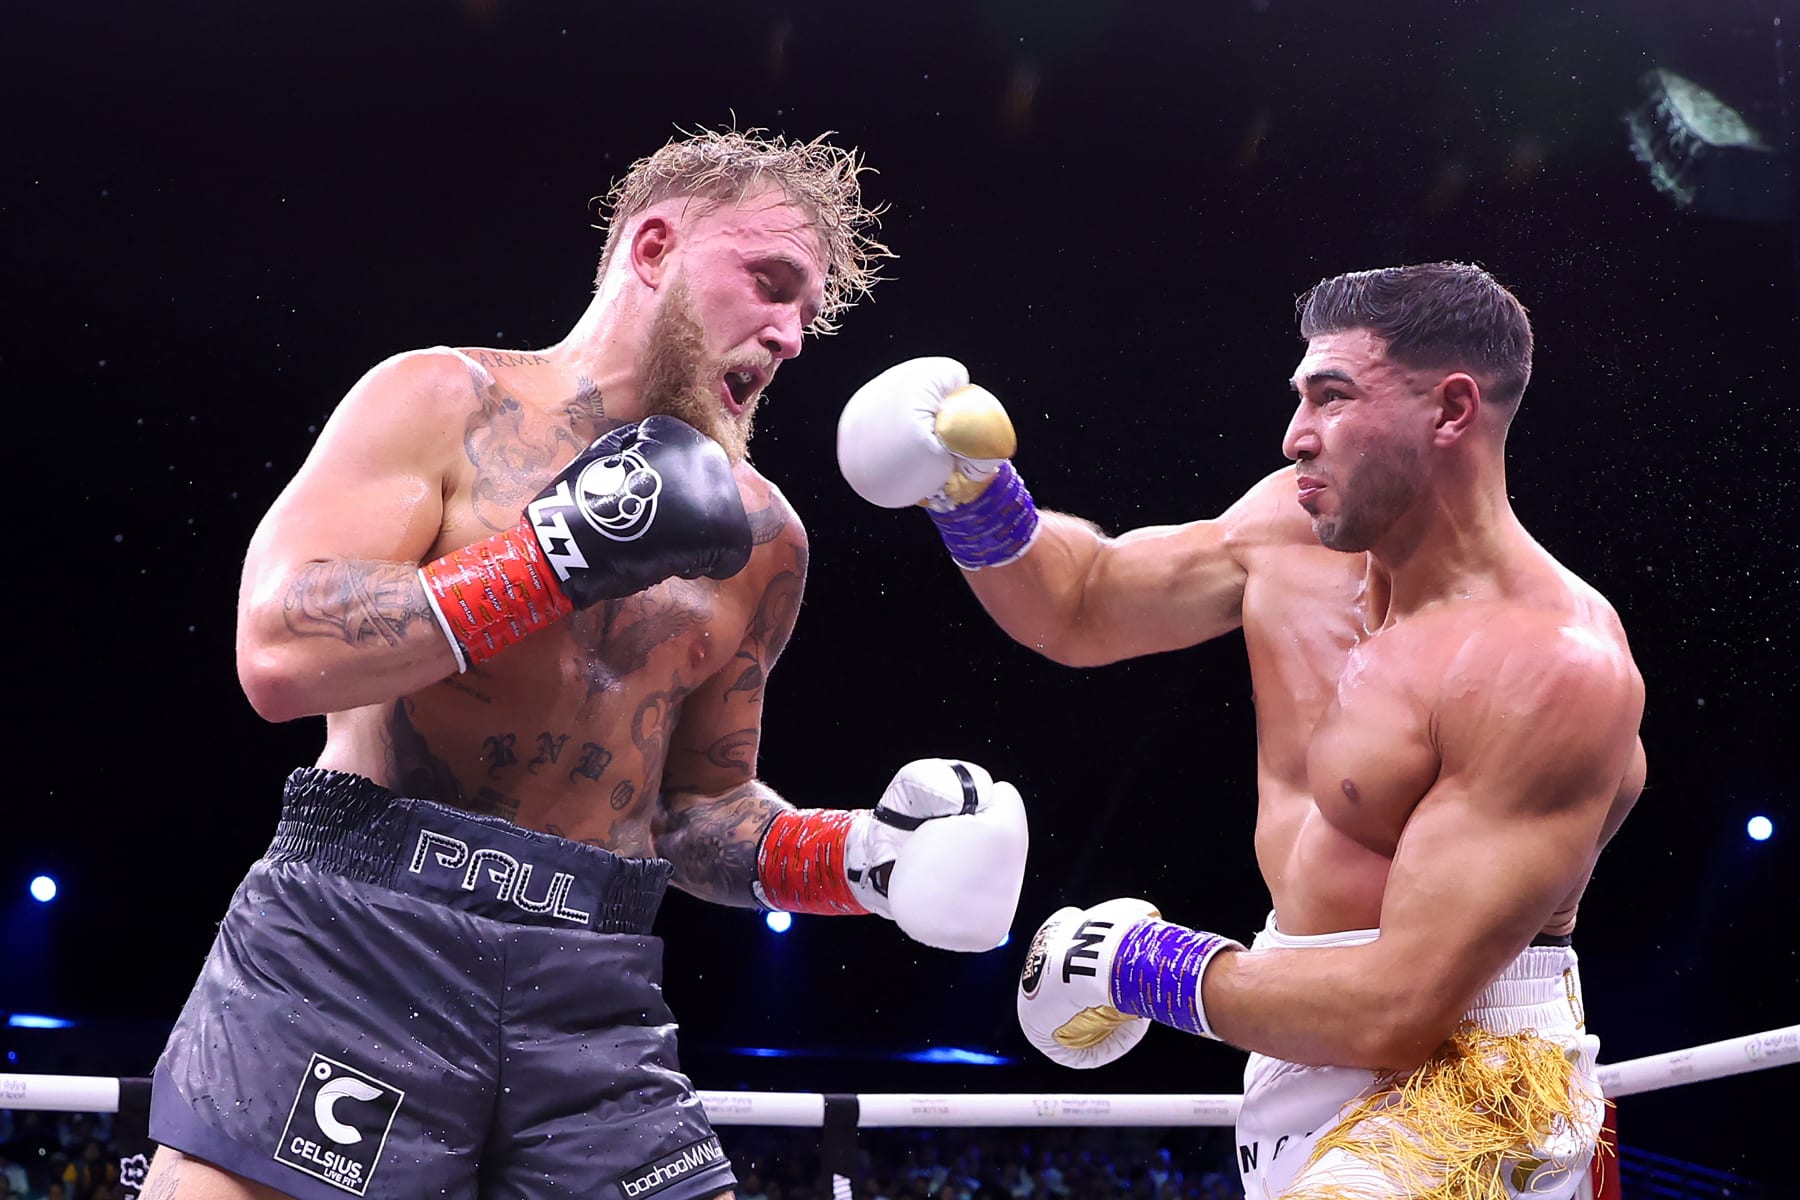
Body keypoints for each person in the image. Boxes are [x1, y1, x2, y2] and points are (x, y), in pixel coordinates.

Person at [144, 128, 1030, 1200]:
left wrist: (864, 862)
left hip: (590, 979)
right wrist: (554, 555)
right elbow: (278, 651)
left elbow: (698, 806)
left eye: (811, 312)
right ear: (653, 249)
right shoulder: (441, 399)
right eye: (771, 283)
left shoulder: (764, 538)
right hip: (358, 937)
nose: (792, 335)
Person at [837, 262, 1646, 1199]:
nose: (1295, 435)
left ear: (1452, 411)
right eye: (1300, 397)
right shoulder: (1289, 526)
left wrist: (1140, 966)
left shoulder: (1549, 664)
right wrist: (972, 492)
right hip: (1289, 1023)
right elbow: (1083, 606)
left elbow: (1397, 1009)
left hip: (1470, 1071)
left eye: (1333, 397)